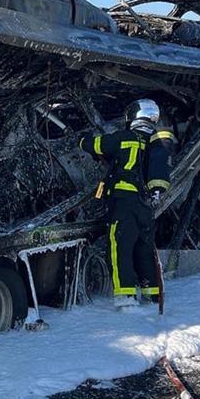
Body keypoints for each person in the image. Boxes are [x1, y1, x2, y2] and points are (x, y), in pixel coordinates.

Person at [80, 98, 176, 307]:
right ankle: (152, 295)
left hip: (124, 204)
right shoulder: (155, 143)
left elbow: (96, 146)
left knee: (120, 248)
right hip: (145, 206)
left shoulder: (124, 138)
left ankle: (126, 298)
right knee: (144, 249)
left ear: (133, 116)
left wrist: (81, 139)